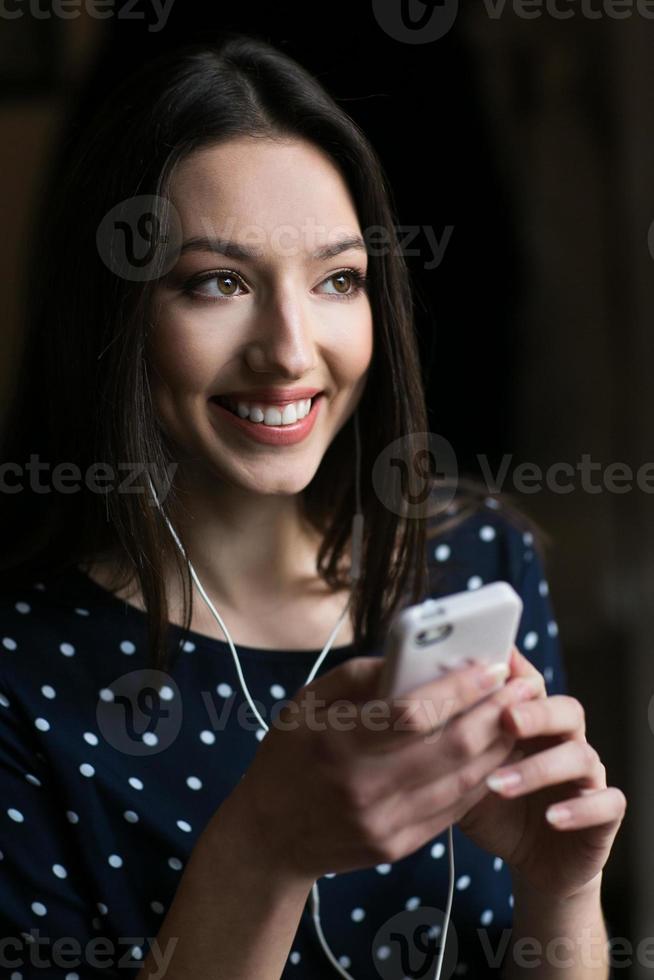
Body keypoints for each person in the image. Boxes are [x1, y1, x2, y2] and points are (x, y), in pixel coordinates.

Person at [0, 33, 625, 980]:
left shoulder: (479, 558)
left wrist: (564, 892)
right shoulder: (21, 667)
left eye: (338, 280)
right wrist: (262, 851)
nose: (291, 351)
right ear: (115, 311)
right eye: (220, 282)